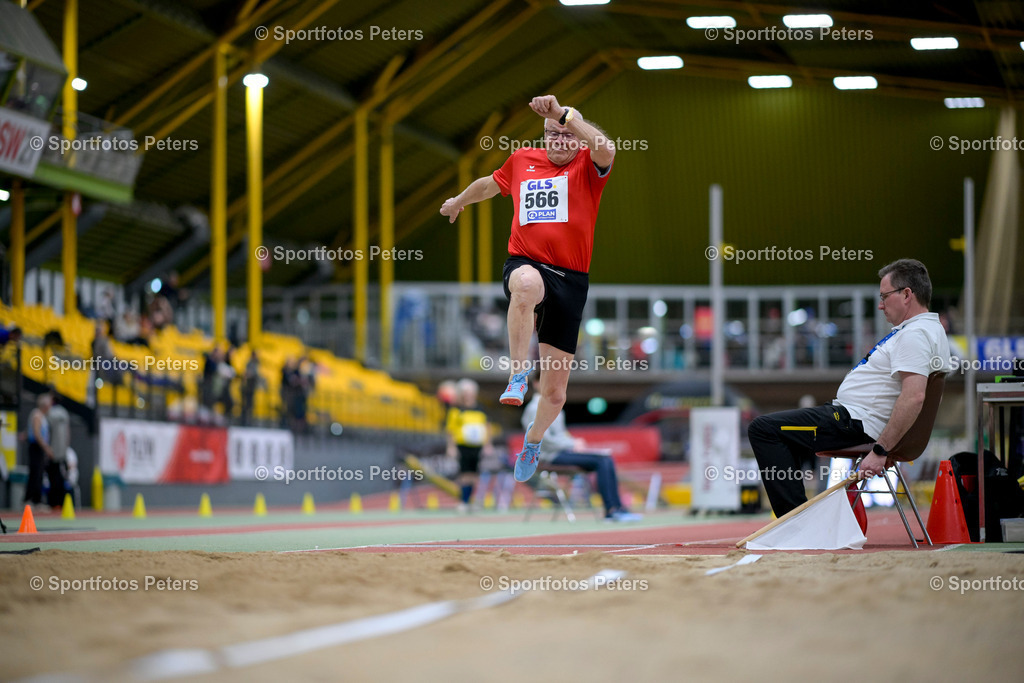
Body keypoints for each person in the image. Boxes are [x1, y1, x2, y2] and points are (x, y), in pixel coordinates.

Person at [439, 95, 616, 483]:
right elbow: (489, 184)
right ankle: (518, 375)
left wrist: (564, 115)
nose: (561, 141)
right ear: (544, 135)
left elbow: (606, 147)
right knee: (525, 283)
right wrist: (458, 201)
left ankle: (533, 441)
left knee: (554, 394)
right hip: (527, 262)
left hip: (571, 279)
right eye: (553, 134)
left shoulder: (589, 164)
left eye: (569, 135)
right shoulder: (522, 159)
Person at [748, 259, 952, 517]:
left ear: (907, 294)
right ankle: (801, 519)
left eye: (884, 296)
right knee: (783, 432)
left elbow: (914, 397)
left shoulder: (915, 334)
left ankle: (795, 525)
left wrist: (881, 449)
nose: (880, 305)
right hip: (853, 420)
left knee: (764, 429)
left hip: (854, 422)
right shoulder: (929, 330)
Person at [522, 394, 641, 522]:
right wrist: (572, 443)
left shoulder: (554, 405)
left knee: (606, 458)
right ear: (535, 383)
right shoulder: (534, 408)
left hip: (563, 451)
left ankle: (618, 507)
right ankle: (610, 510)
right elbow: (543, 439)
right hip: (549, 456)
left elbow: (561, 435)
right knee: (601, 461)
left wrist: (574, 442)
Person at [445, 379, 492, 513]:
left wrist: (488, 444)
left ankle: (471, 500)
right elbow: (450, 430)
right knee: (464, 474)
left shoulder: (480, 409)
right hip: (463, 445)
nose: (468, 395)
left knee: (474, 474)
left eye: (471, 392)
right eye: (466, 392)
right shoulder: (456, 410)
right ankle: (464, 501)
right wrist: (451, 447)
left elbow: (487, 427)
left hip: (477, 446)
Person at [24, 393, 53, 509]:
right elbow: (36, 433)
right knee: (35, 473)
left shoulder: (41, 415)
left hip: (38, 447)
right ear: (45, 405)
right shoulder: (37, 415)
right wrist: (46, 448)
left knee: (39, 473)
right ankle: (30, 500)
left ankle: (36, 500)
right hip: (36, 447)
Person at [47, 393, 70, 510]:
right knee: (61, 477)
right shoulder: (64, 413)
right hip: (62, 450)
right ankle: (61, 502)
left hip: (52, 449)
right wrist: (66, 446)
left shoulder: (50, 413)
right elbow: (68, 432)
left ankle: (53, 502)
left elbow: (46, 431)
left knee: (53, 477)